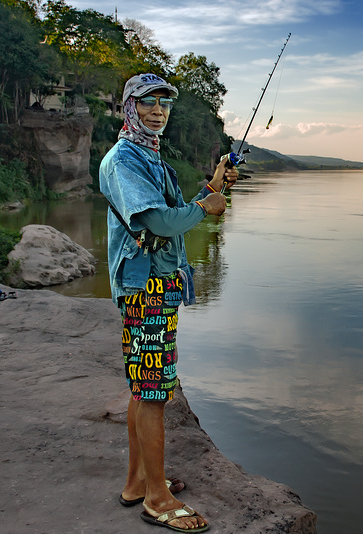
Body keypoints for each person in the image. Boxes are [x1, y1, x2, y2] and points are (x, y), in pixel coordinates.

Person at [99, 73, 237, 533]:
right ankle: (157, 499)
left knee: (145, 389)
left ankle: (138, 481)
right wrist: (205, 209)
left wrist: (212, 186)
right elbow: (159, 223)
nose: (158, 110)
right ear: (129, 106)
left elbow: (177, 214)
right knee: (155, 393)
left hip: (157, 284)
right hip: (144, 289)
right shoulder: (123, 159)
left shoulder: (151, 157)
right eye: (148, 102)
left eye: (165, 103)